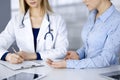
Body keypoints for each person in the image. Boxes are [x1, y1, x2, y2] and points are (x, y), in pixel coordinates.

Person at [47, 0, 120, 69]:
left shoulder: (117, 20)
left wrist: (68, 64)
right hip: (88, 72)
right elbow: (88, 44)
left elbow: (105, 59)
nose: (83, 1)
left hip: (104, 75)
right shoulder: (92, 14)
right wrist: (78, 54)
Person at [0, 0, 68, 64]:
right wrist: (8, 56)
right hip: (23, 69)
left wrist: (33, 55)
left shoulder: (57, 20)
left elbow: (62, 50)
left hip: (49, 68)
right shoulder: (16, 20)